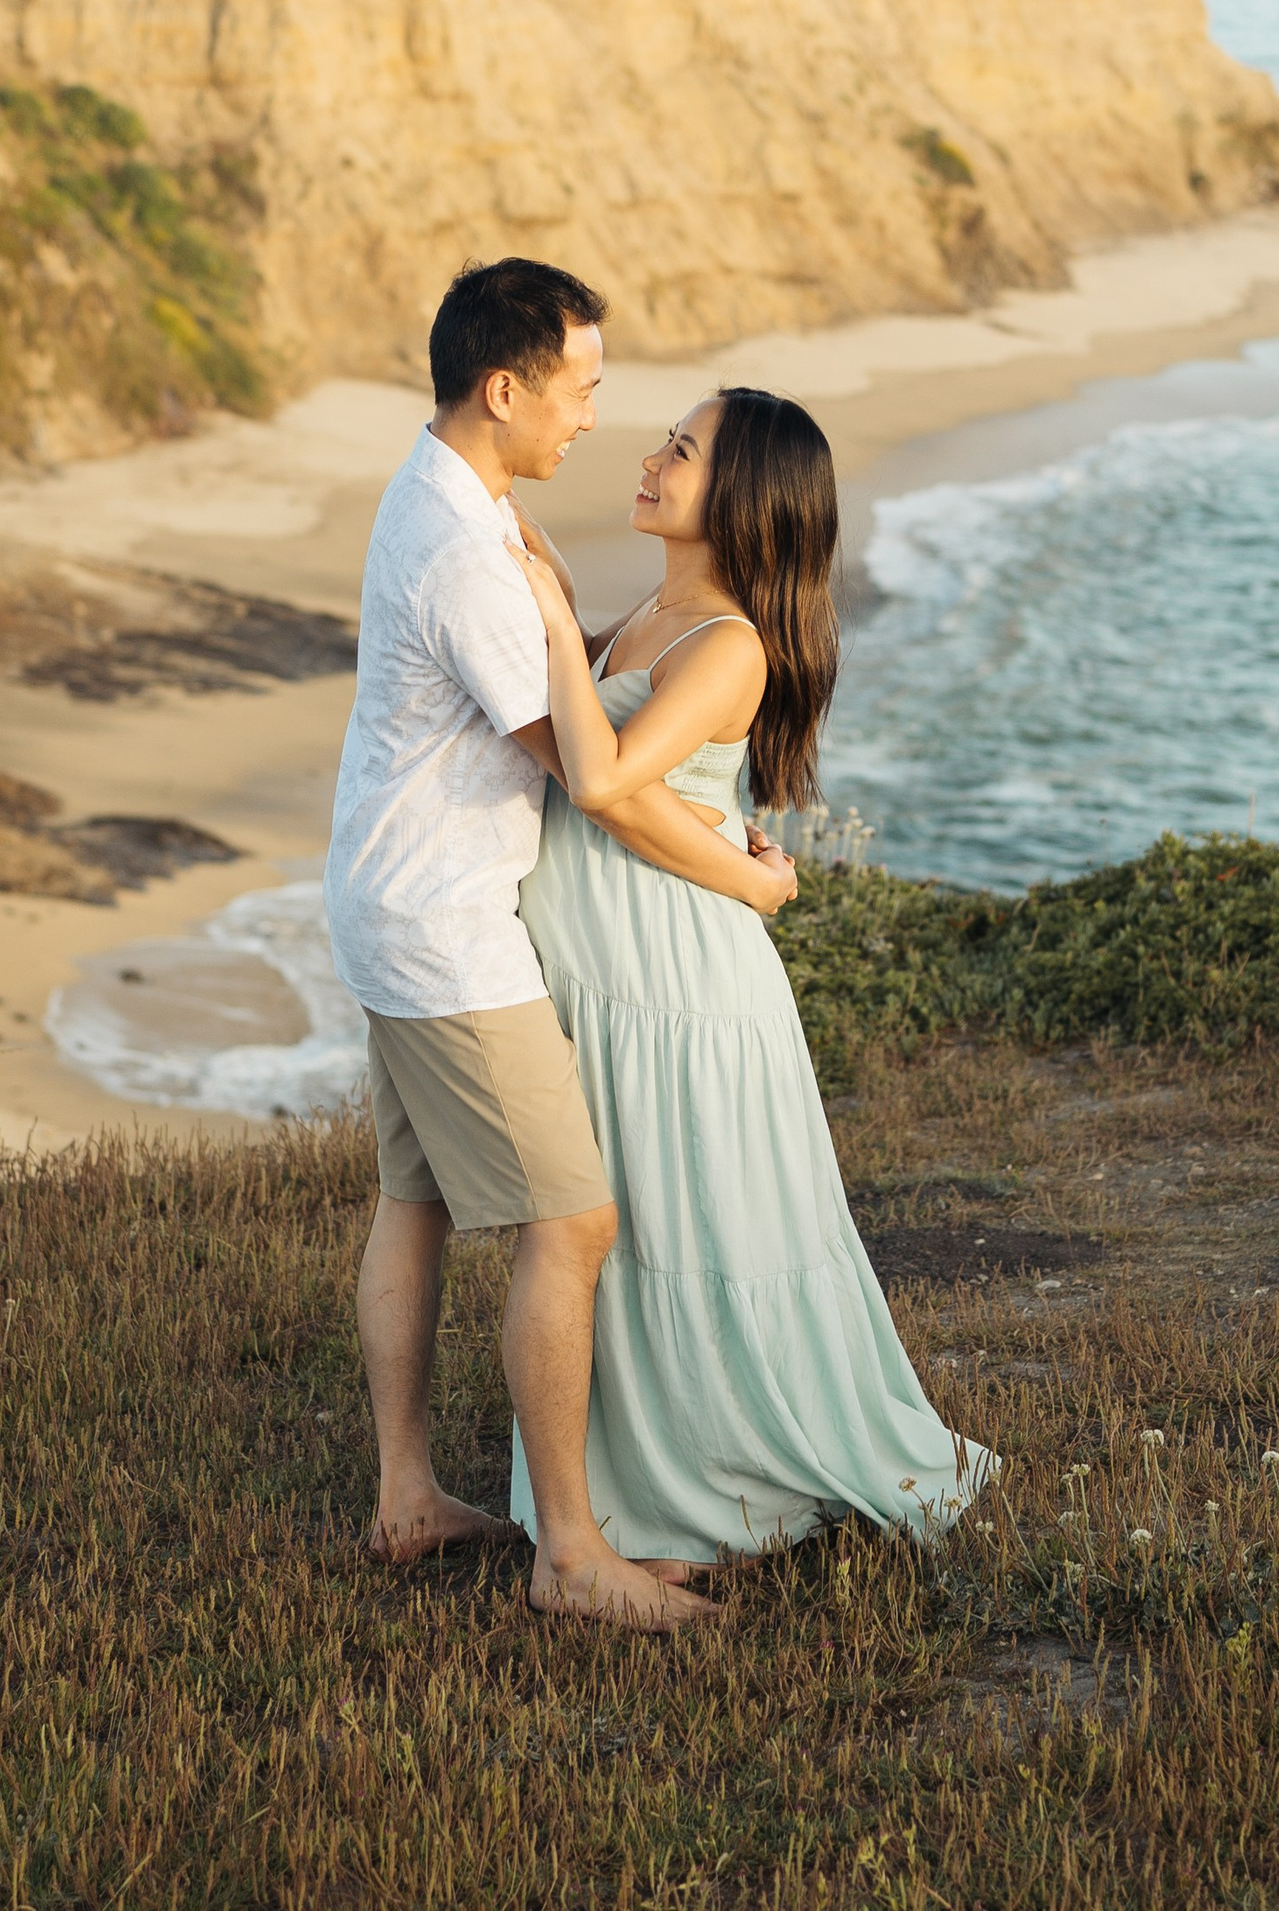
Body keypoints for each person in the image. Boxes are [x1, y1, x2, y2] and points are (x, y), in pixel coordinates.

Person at [321, 258, 799, 1629]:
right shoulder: (470, 556)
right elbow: (598, 781)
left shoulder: (448, 492)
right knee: (575, 1220)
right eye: (580, 389)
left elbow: (583, 707)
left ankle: (408, 1495)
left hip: (389, 896)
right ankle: (574, 1554)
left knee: (414, 1197)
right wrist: (748, 876)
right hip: (449, 930)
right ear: (503, 388)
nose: (595, 417)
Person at [507, 384, 996, 1565]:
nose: (650, 458)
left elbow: (603, 777)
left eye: (681, 450)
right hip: (621, 970)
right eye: (666, 440)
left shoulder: (728, 644)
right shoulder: (651, 610)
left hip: (677, 978)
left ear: (739, 495)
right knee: (626, 1228)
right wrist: (557, 592)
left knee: (691, 1223)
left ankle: (711, 1481)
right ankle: (638, 1482)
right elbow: (595, 755)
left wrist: (555, 618)